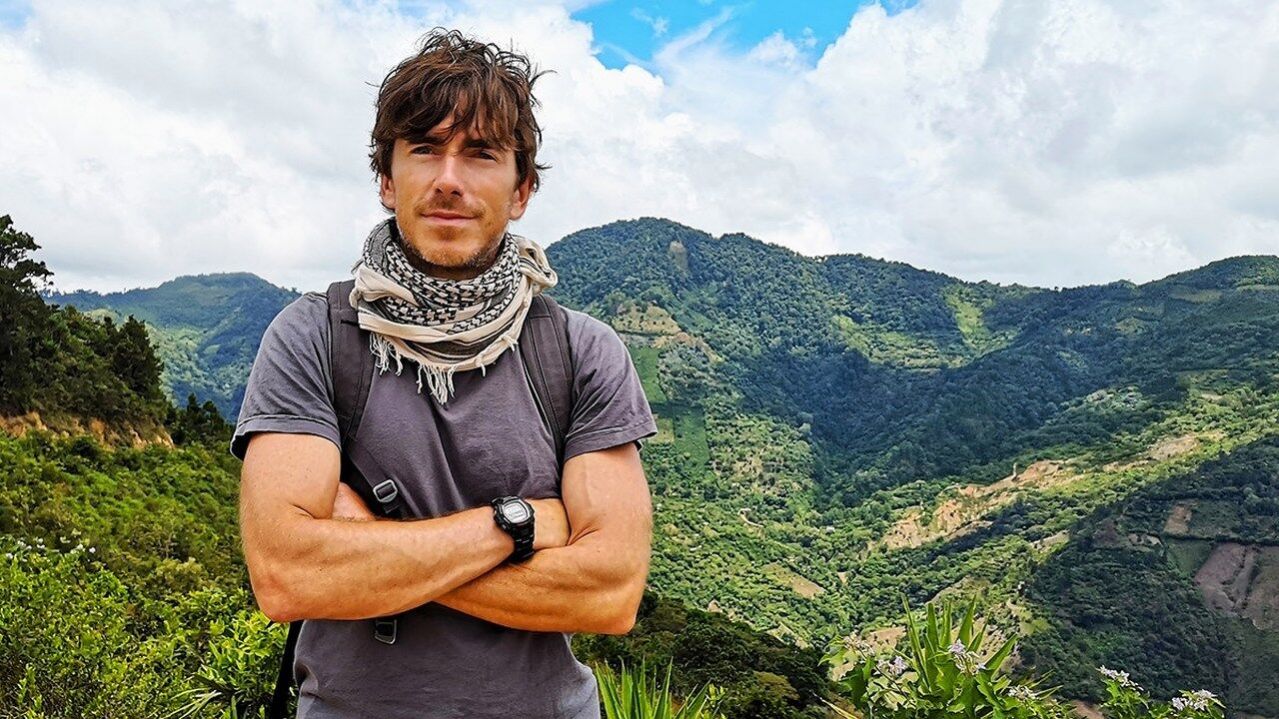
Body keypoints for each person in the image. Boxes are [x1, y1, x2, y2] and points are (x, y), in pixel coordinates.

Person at [230, 26, 657, 718]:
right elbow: (288, 576)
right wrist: (518, 524)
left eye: (481, 153)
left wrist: (369, 551)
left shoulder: (581, 351)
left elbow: (608, 594)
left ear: (521, 190)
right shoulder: (314, 336)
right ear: (386, 179)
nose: (449, 179)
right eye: (425, 148)